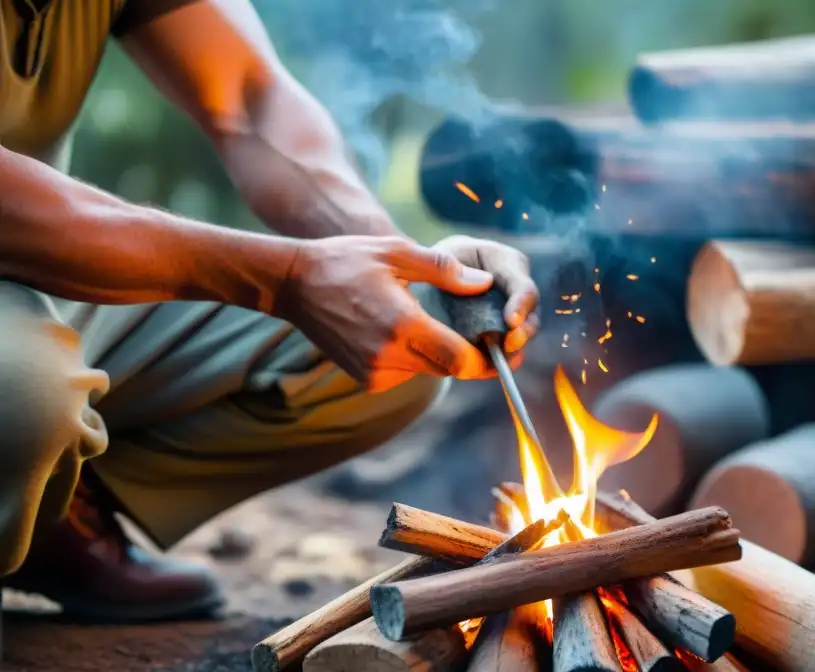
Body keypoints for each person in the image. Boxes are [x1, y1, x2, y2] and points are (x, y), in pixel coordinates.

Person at [0, 0, 539, 621]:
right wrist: (286, 278)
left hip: (41, 276)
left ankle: (49, 510)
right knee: (26, 398)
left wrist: (401, 267)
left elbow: (252, 103)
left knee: (410, 334)